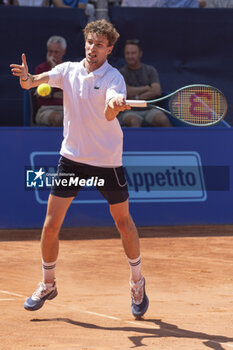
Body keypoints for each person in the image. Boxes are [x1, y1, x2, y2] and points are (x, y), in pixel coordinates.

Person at [10, 19, 149, 318]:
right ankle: (48, 283)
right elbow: (34, 82)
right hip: (71, 158)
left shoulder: (114, 78)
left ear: (109, 48)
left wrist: (115, 105)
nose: (92, 48)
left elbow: (109, 112)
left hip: (105, 161)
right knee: (50, 225)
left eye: (99, 45)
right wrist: (26, 79)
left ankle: (137, 282)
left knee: (124, 223)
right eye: (89, 43)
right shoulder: (68, 70)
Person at [118, 39, 172, 127]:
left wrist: (136, 98)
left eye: (133, 53)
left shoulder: (150, 70)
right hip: (129, 111)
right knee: (134, 121)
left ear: (140, 54)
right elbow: (126, 91)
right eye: (127, 53)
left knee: (163, 120)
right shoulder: (120, 73)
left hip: (150, 109)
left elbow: (156, 91)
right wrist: (147, 88)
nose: (130, 56)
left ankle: (172, 140)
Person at [34, 36, 67, 126]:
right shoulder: (40, 69)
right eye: (50, 51)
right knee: (60, 119)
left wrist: (53, 95)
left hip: (68, 109)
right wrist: (53, 68)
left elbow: (70, 92)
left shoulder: (69, 69)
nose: (53, 55)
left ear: (63, 52)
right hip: (46, 110)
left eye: (56, 52)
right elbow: (43, 94)